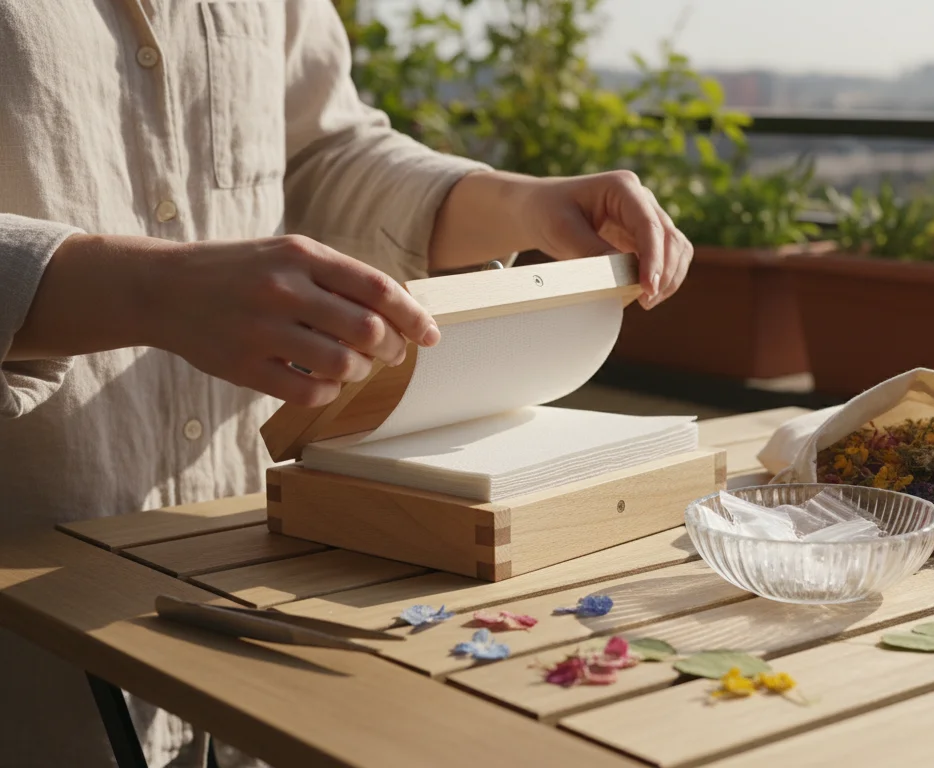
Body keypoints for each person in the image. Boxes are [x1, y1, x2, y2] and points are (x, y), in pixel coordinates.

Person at [0, 1, 693, 766]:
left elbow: (318, 152)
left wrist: (516, 205)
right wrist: (145, 291)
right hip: (28, 619)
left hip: (246, 576)